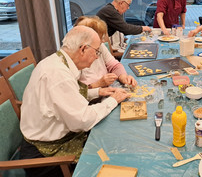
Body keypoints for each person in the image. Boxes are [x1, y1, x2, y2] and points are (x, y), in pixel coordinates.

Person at [19, 26, 130, 177]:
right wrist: (112, 100)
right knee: (116, 155)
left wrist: (98, 92)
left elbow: (65, 97)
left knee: (114, 136)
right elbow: (83, 120)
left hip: (52, 137)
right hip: (46, 155)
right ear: (83, 49)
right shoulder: (58, 75)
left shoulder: (58, 60)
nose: (97, 57)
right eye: (97, 51)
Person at [74, 16, 137, 89]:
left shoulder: (100, 46)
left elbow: (114, 65)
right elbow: (76, 93)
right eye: (100, 37)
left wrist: (123, 76)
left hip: (106, 90)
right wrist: (97, 84)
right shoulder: (74, 58)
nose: (103, 41)